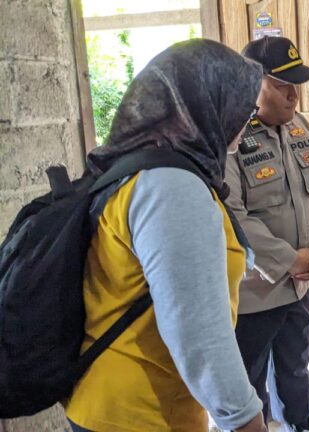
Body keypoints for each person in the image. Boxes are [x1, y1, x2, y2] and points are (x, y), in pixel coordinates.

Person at [64, 40, 267, 432]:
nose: (247, 119)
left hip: (110, 405)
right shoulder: (171, 188)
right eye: (244, 105)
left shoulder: (137, 170)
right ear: (206, 103)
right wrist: (245, 420)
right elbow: (199, 334)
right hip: (139, 416)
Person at [225, 36, 309, 432]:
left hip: (299, 286)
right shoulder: (231, 140)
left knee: (296, 365)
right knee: (250, 380)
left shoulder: (300, 128)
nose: (294, 95)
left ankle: (302, 425)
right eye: (282, 85)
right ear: (252, 82)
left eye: (296, 83)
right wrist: (289, 260)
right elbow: (233, 216)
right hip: (255, 292)